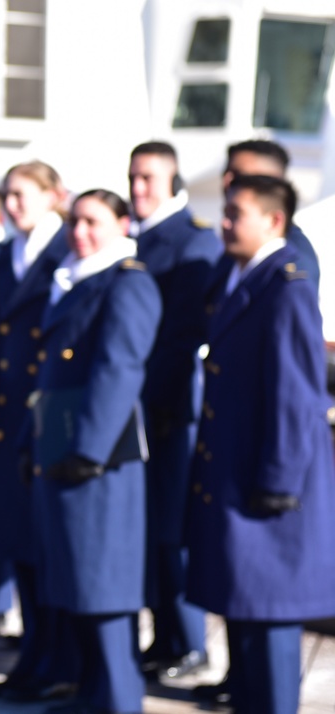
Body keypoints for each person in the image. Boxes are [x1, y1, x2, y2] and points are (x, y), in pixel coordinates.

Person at [185, 174, 335, 714]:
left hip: (268, 491)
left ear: (274, 220)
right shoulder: (244, 275)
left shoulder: (287, 285)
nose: (224, 223)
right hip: (239, 479)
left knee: (269, 628)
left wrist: (277, 483)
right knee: (244, 622)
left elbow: (297, 395)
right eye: (224, 212)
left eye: (236, 214)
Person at [32, 189, 161, 714]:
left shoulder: (127, 281)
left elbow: (120, 368)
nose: (79, 232)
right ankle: (93, 696)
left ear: (122, 224)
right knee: (76, 586)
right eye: (74, 221)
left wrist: (88, 449)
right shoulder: (74, 276)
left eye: (93, 222)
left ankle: (118, 701)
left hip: (100, 461)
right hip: (62, 448)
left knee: (103, 588)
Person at [0, 161, 77, 703]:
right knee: (19, 541)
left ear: (53, 195)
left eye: (23, 193)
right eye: (7, 194)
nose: (13, 203)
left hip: (48, 412)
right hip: (6, 413)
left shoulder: (68, 247)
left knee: (48, 545)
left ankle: (58, 658)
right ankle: (36, 652)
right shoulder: (3, 253)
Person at [127, 141, 220, 680]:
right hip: (140, 407)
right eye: (133, 177)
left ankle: (189, 642)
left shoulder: (191, 241)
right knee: (153, 530)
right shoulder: (139, 238)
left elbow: (182, 336)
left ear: (173, 181)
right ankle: (163, 637)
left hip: (169, 408)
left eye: (148, 178)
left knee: (173, 531)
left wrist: (143, 398)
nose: (139, 188)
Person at [222, 139, 320, 294]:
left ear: (270, 181)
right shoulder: (237, 248)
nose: (227, 182)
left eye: (239, 177)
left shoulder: (295, 261)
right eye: (225, 173)